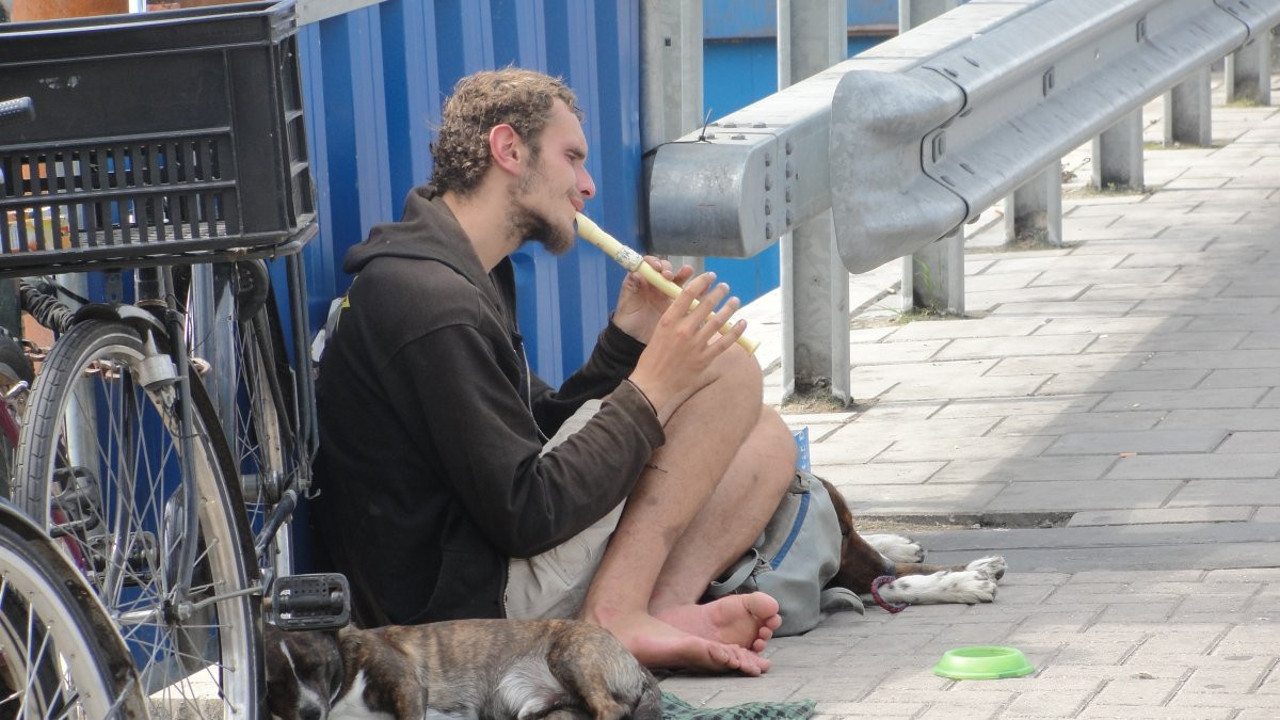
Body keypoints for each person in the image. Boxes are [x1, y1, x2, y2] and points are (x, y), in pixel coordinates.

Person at [312, 68, 798, 676]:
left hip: (486, 568)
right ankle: (615, 617)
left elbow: (528, 435)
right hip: (458, 621)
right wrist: (655, 387)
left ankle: (656, 609)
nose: (588, 185)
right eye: (573, 158)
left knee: (767, 438)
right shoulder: (427, 302)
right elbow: (525, 513)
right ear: (509, 149)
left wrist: (625, 346)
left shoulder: (468, 274)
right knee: (726, 368)